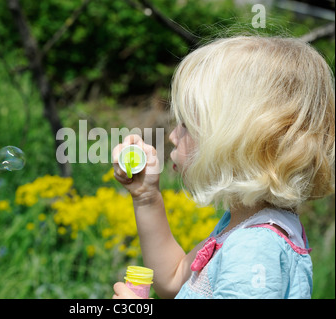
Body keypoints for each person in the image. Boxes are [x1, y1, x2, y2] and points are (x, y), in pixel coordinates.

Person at [111, 36, 335, 299]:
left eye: (186, 124)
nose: (173, 135)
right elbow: (173, 280)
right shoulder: (243, 226)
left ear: (234, 141)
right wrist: (146, 197)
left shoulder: (253, 249)